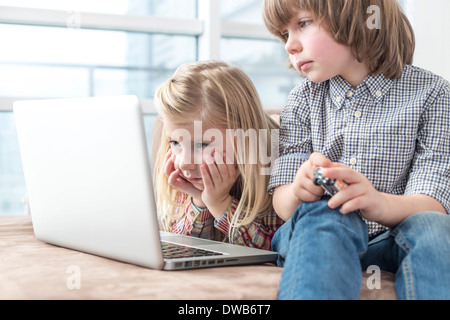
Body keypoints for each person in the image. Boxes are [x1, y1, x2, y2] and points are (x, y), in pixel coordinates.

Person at [263, 0, 450, 299]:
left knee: (432, 226)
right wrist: (298, 191)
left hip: (390, 241)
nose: (290, 45)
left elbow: (434, 203)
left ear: (361, 17)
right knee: (330, 212)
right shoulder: (302, 100)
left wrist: (377, 203)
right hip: (319, 235)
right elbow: (283, 205)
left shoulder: (433, 94)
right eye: (285, 34)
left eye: (303, 23)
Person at [153, 60, 283, 250]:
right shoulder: (189, 175)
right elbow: (181, 249)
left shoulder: (275, 164)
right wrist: (199, 200)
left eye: (202, 144)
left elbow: (275, 250)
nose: (184, 163)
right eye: (175, 143)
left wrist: (220, 203)